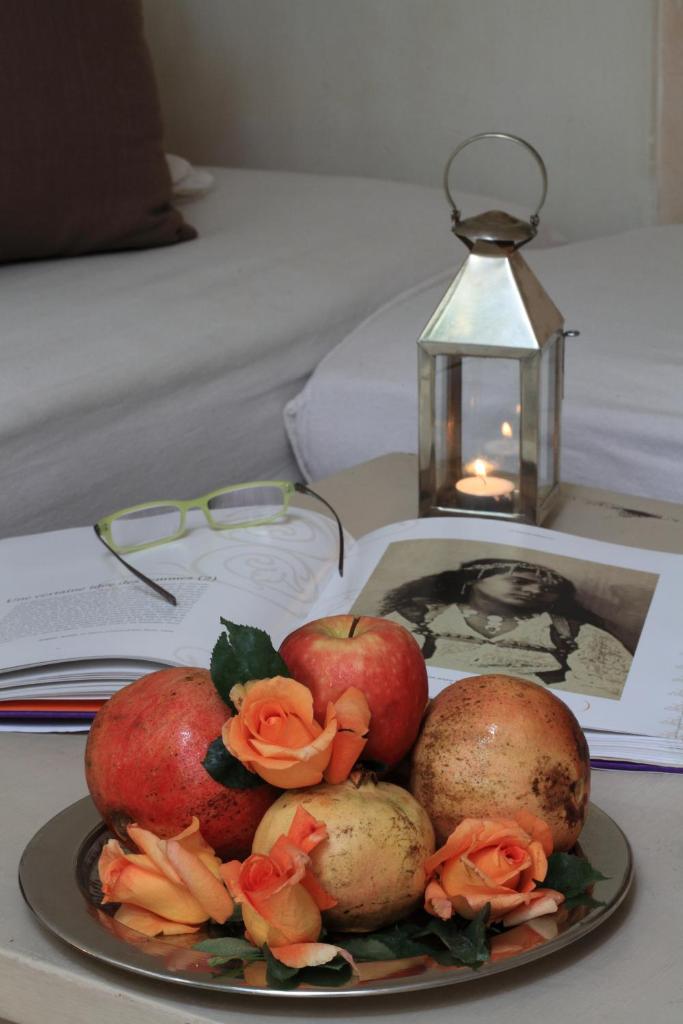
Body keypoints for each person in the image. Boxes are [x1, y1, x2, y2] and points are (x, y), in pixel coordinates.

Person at [379, 558, 633, 700]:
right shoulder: (416, 617)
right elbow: (383, 673)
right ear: (474, 580)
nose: (535, 590)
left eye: (546, 589)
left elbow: (607, 690)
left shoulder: (575, 633)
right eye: (520, 581)